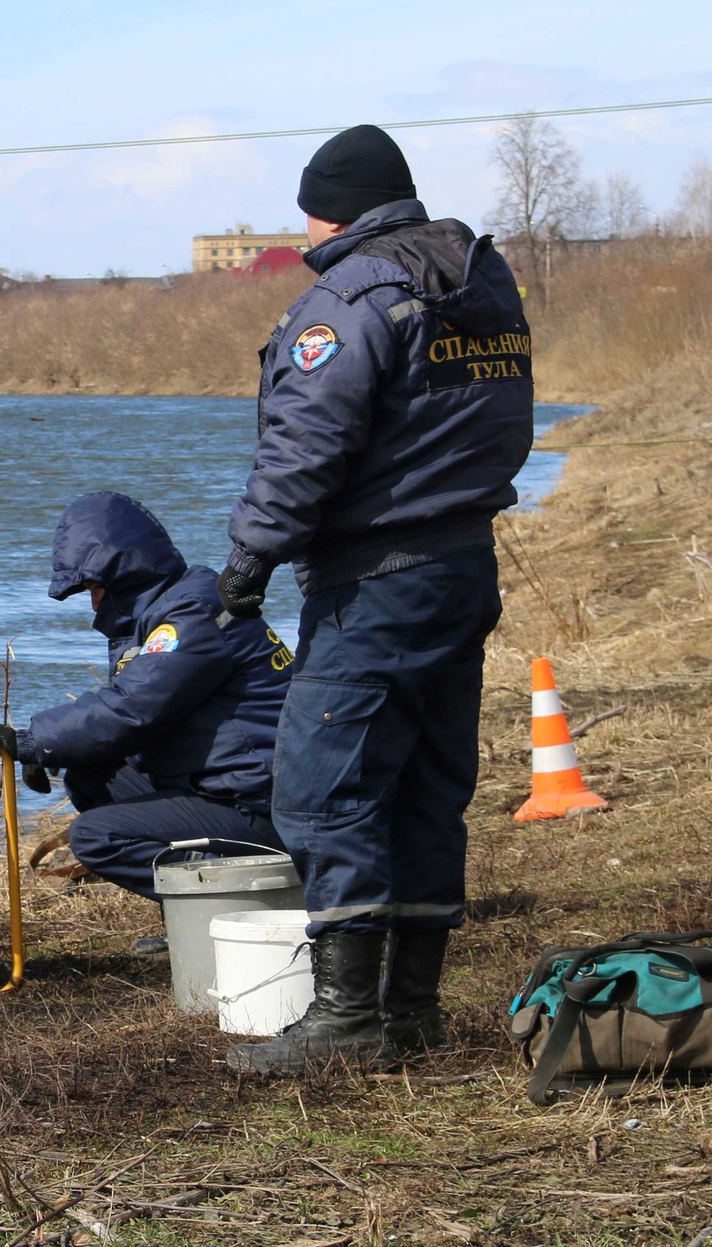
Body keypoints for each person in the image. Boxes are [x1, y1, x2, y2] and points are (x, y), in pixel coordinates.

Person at [211, 124, 536, 1073]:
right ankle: (413, 1010)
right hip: (462, 561)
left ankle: (349, 1016)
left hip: (375, 582)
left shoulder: (347, 300)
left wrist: (248, 560)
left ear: (329, 207)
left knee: (320, 789)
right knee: (426, 788)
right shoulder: (477, 280)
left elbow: (306, 448)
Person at [0, 491, 289, 907]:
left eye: (93, 587)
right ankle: (188, 909)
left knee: (95, 837)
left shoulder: (191, 616)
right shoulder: (178, 603)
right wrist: (60, 750)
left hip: (263, 803)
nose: (92, 603)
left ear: (122, 575)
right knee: (90, 773)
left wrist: (33, 740)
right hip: (233, 783)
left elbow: (132, 709)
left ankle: (211, 909)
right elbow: (138, 715)